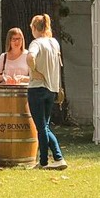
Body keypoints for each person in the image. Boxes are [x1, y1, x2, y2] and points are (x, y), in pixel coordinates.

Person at [27, 14, 66, 170]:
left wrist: (34, 70)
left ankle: (57, 157)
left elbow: (30, 57)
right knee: (45, 126)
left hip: (37, 87)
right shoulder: (54, 42)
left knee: (42, 127)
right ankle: (44, 161)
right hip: (51, 88)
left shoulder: (36, 43)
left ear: (34, 28)